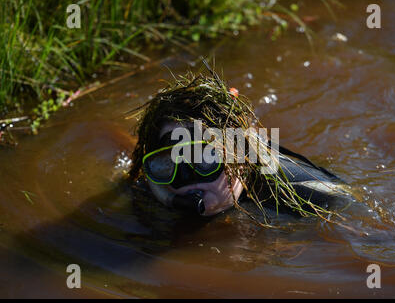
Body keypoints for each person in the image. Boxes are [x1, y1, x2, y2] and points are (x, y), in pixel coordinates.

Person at [128, 65, 351, 223]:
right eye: (166, 164)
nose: (185, 179)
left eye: (206, 159)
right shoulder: (153, 186)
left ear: (240, 158)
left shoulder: (311, 193)